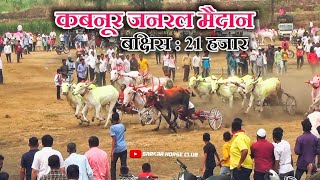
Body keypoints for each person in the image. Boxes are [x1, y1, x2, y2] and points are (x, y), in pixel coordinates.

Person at [110, 109, 127, 180]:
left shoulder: (112, 128)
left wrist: (112, 151)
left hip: (116, 149)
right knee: (123, 165)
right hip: (123, 148)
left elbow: (114, 140)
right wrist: (120, 122)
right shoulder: (122, 126)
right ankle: (124, 178)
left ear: (112, 119)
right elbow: (125, 129)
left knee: (113, 166)